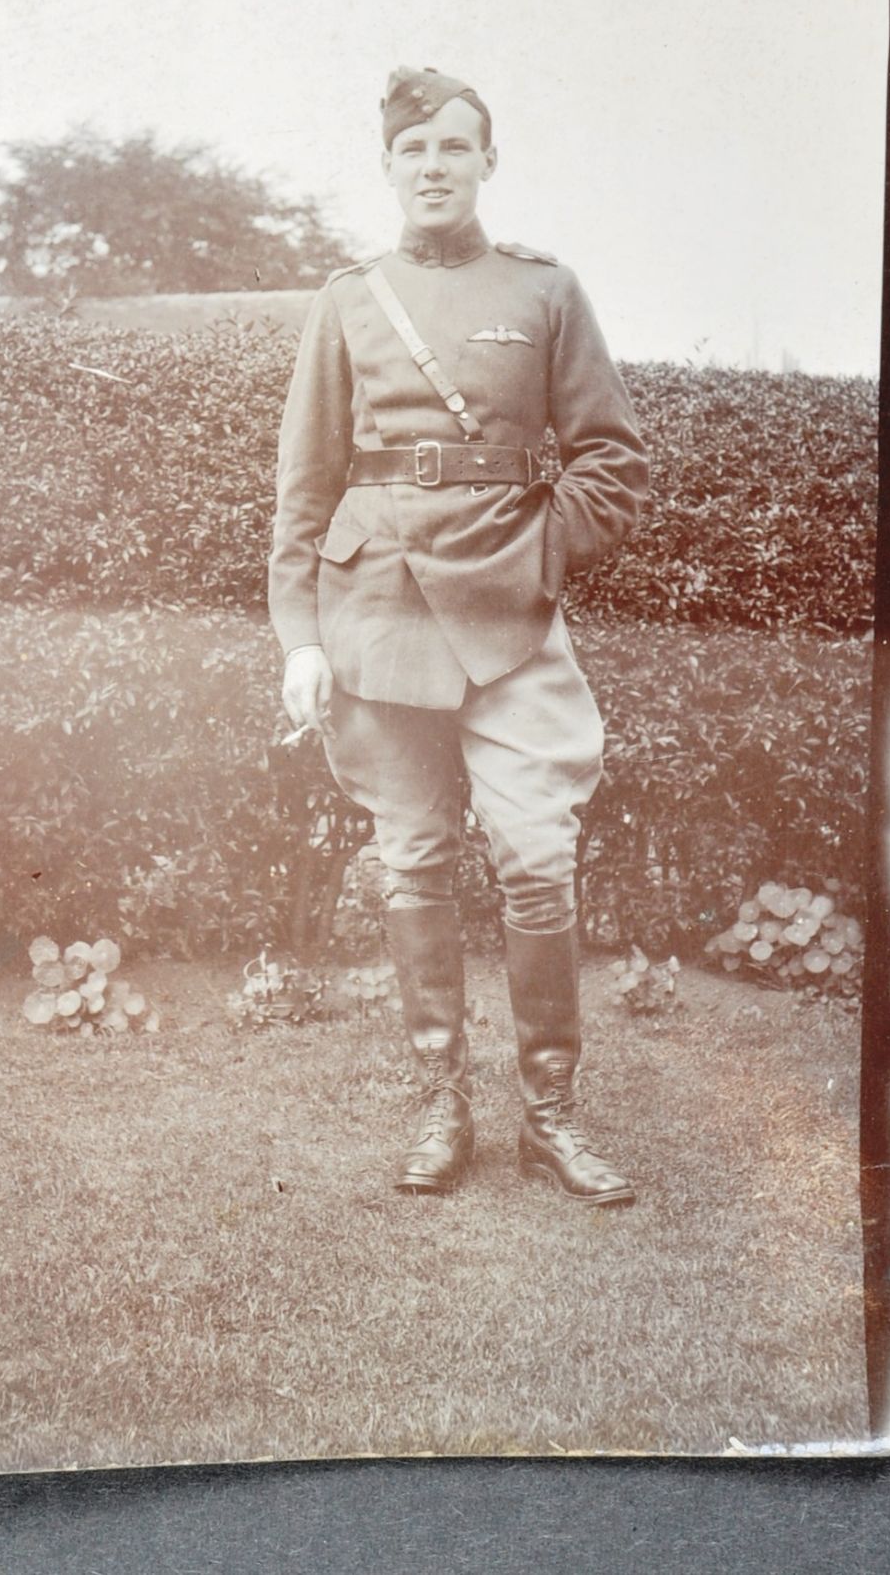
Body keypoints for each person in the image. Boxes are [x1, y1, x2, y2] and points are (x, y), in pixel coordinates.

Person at [269, 66, 649, 1205]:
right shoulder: (348, 299)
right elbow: (304, 486)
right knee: (414, 860)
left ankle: (552, 1115)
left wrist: (537, 562)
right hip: (376, 614)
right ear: (388, 169)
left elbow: (613, 465)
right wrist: (300, 633)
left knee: (537, 855)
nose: (433, 165)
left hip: (513, 619)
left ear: (489, 161)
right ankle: (440, 1103)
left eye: (454, 146)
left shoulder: (544, 291)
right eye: (412, 150)